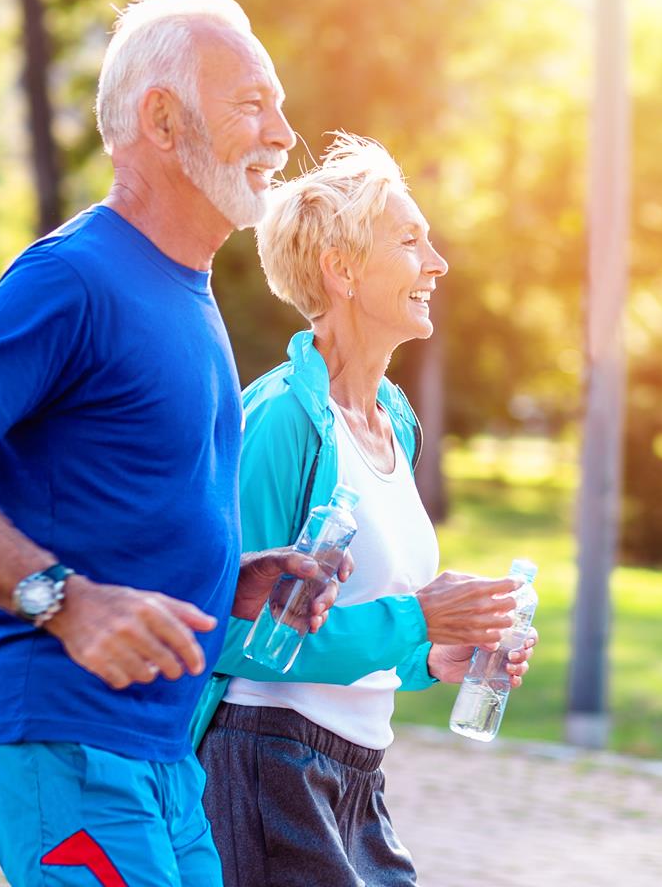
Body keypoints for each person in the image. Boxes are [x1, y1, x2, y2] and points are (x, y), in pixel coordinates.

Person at [0, 0, 344, 887]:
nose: (282, 131)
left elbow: (112, 510)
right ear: (162, 117)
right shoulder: (74, 276)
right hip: (66, 741)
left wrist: (237, 579)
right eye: (251, 104)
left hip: (161, 755)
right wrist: (65, 603)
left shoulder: (188, 294)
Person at [190, 134, 539, 887]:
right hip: (265, 762)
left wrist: (435, 657)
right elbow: (229, 633)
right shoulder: (281, 421)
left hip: (355, 771)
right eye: (411, 242)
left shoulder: (394, 420)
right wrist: (419, 620)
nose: (437, 263)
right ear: (341, 270)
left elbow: (358, 625)